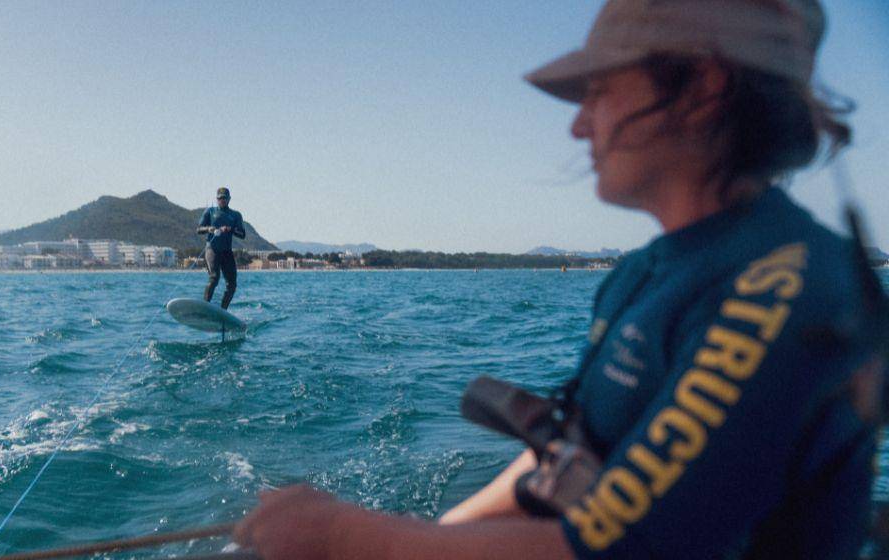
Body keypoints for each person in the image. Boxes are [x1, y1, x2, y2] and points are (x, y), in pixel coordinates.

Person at [233, 1, 879, 558]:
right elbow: (570, 458)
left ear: (703, 87)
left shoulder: (785, 290)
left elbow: (624, 551)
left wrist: (348, 540)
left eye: (599, 91)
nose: (576, 125)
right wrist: (414, 536)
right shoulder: (644, 273)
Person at [197, 187, 246, 309]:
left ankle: (223, 311)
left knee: (232, 285)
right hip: (212, 249)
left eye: (224, 198)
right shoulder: (210, 211)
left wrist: (231, 229)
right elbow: (198, 229)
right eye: (220, 198)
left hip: (226, 252)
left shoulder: (235, 215)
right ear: (217, 199)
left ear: (229, 199)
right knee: (214, 277)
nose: (222, 200)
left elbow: (242, 234)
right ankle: (205, 307)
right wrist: (209, 229)